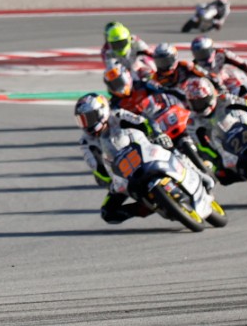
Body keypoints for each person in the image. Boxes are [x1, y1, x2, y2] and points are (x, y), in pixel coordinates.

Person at [76, 94, 190, 225]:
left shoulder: (117, 115)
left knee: (169, 146)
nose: (87, 124)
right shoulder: (86, 141)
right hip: (123, 173)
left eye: (89, 118)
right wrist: (109, 181)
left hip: (144, 153)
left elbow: (144, 122)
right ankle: (149, 206)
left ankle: (189, 166)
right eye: (82, 120)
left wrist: (157, 134)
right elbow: (96, 166)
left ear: (101, 111)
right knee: (108, 213)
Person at [104, 66, 212, 181]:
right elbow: (117, 125)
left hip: (160, 116)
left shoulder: (143, 84)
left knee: (187, 127)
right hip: (144, 132)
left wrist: (184, 99)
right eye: (113, 84)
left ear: (127, 77)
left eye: (118, 82)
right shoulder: (114, 104)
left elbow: (165, 90)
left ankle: (201, 153)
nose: (118, 86)